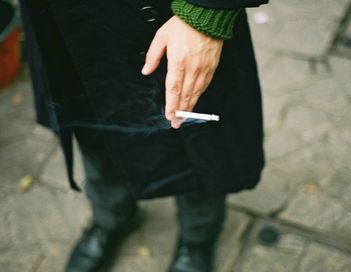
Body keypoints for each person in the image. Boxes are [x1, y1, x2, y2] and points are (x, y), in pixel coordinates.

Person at [19, 0, 268, 271]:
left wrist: (206, 14)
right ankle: (112, 215)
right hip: (61, 15)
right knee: (90, 126)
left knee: (200, 136)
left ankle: (199, 236)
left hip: (170, 16)